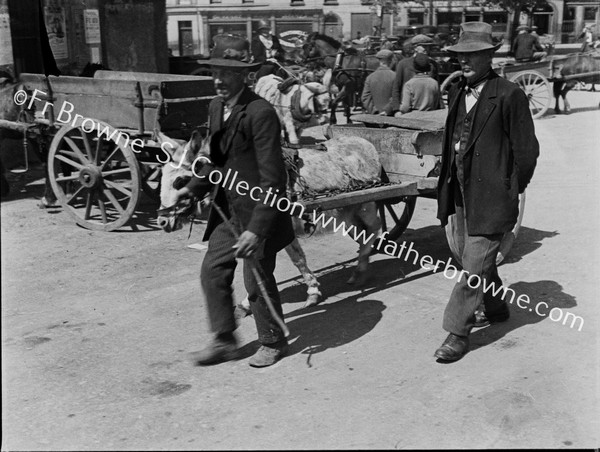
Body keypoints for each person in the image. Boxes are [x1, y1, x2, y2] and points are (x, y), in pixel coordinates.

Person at [173, 35, 295, 368]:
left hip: (260, 211)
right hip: (227, 210)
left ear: (245, 75)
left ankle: (273, 340)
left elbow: (274, 179)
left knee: (255, 278)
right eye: (215, 71)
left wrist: (256, 231)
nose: (219, 79)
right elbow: (215, 159)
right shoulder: (216, 107)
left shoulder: (260, 112)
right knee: (212, 270)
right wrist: (193, 190)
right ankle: (225, 339)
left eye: (227, 73)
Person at [434, 22, 539, 362]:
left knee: (473, 263)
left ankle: (457, 332)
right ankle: (494, 307)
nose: (463, 62)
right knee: (469, 254)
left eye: (472, 55)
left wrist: (511, 188)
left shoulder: (509, 94)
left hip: (493, 192)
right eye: (459, 56)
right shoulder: (457, 91)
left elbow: (527, 152)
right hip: (462, 189)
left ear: (488, 56)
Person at [390, 34, 438, 116]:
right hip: (407, 110)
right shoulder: (403, 64)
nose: (427, 49)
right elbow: (396, 87)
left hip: (429, 112)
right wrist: (396, 109)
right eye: (423, 46)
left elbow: (437, 89)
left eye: (428, 47)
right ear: (415, 47)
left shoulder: (433, 64)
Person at [361, 49, 396, 115]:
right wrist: (386, 111)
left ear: (379, 61)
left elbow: (365, 98)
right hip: (391, 115)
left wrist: (374, 111)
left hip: (375, 117)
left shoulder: (370, 77)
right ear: (391, 61)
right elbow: (397, 96)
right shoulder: (395, 76)